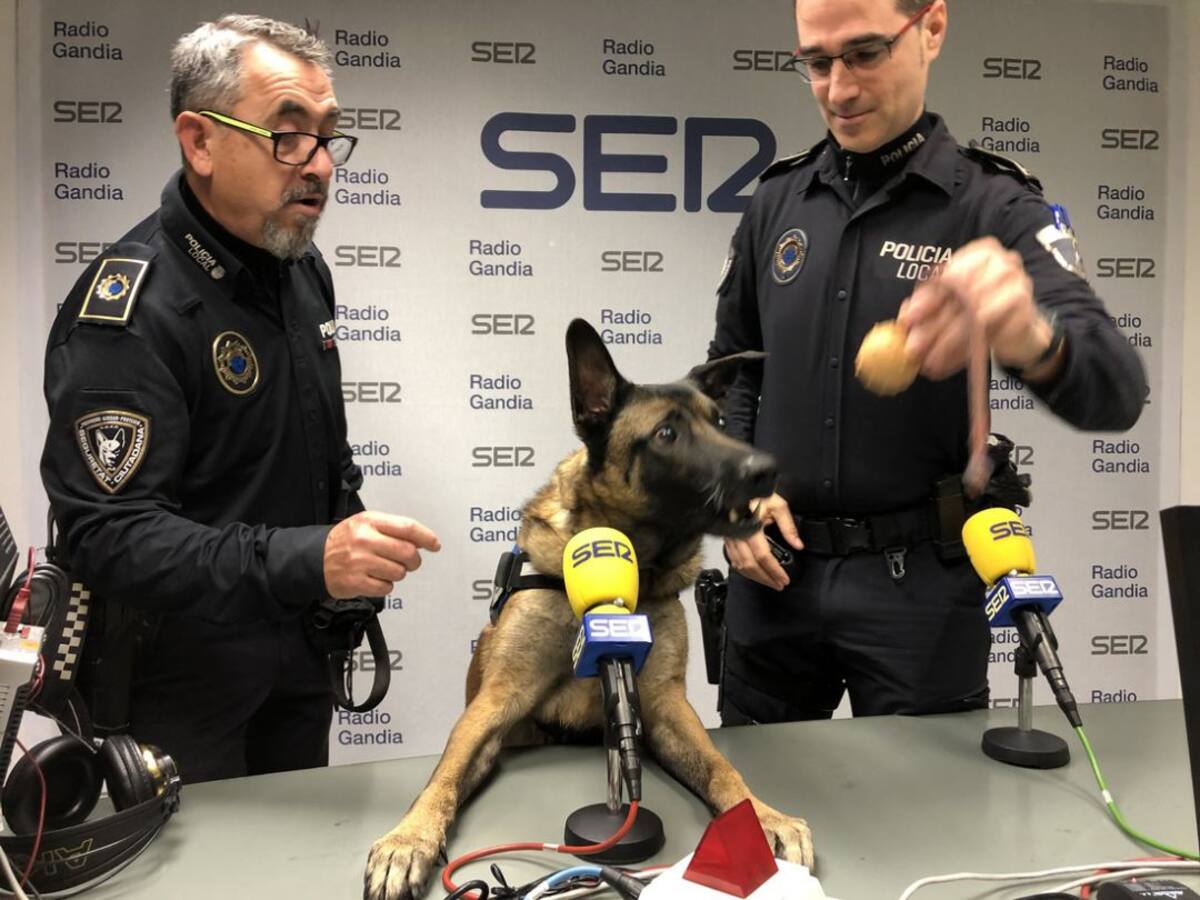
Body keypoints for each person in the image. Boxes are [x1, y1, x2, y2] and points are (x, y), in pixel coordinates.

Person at [708, 0, 1146, 725]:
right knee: (758, 795)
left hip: (922, 598)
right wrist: (736, 494)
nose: (839, 89)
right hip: (774, 579)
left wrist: (1030, 335)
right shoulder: (777, 201)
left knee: (932, 797)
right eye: (816, 63)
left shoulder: (995, 206)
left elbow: (1119, 392)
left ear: (932, 29)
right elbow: (734, 368)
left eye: (865, 54)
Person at [40, 14, 440, 782]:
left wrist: (344, 538)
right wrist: (307, 558)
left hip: (299, 658)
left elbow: (314, 454)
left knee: (300, 850)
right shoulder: (130, 311)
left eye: (328, 137)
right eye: (287, 136)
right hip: (175, 688)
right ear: (200, 142)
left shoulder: (302, 271)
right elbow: (110, 536)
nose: (319, 165)